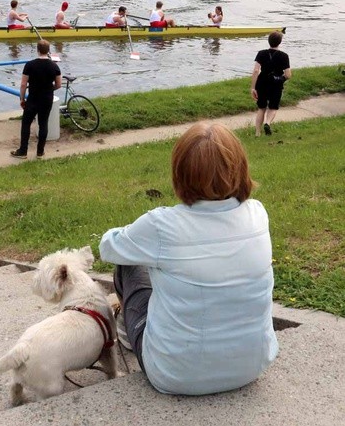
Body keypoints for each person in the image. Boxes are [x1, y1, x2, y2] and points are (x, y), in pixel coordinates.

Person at [100, 122, 278, 396]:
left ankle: (129, 332)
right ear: (241, 168)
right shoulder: (257, 214)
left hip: (174, 374)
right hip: (250, 368)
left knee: (129, 262)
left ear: (180, 173)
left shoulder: (161, 225)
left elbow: (109, 247)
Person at [10, 40, 61, 159]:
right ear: (48, 51)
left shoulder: (30, 65)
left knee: (26, 123)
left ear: (37, 50)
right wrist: (49, 90)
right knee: (43, 123)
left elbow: (23, 84)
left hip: (33, 98)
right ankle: (40, 151)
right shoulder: (54, 66)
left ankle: (23, 151)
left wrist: (22, 99)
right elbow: (58, 84)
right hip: (47, 98)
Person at [251, 31, 291, 136]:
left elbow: (256, 71)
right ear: (280, 42)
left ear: (269, 41)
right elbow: (288, 74)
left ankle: (257, 133)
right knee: (273, 107)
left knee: (261, 108)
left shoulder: (261, 53)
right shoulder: (284, 56)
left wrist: (253, 88)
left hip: (262, 82)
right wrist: (281, 78)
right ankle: (267, 123)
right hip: (276, 84)